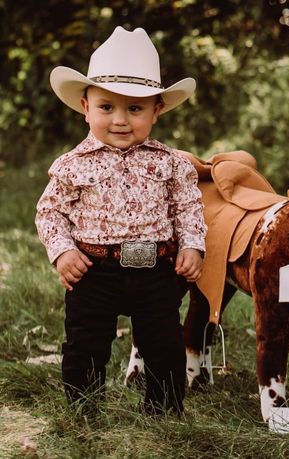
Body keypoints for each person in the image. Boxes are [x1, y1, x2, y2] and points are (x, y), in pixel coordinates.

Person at [35, 26, 207, 416]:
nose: (120, 120)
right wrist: (62, 252)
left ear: (156, 110)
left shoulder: (171, 163)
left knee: (163, 343)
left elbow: (189, 208)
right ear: (85, 106)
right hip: (93, 270)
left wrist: (193, 245)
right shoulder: (71, 165)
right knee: (86, 342)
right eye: (106, 107)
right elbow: (50, 212)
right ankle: (84, 408)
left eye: (135, 108)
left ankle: (163, 410)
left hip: (157, 270)